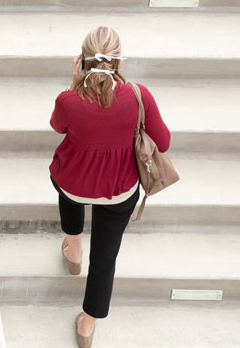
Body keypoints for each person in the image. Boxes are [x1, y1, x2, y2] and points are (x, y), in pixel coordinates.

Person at [49, 27, 170, 348]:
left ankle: (73, 250)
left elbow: (56, 125)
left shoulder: (68, 99)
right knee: (104, 260)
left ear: (82, 61)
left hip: (75, 184)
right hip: (119, 190)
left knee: (63, 181)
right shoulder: (139, 95)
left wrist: (74, 85)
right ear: (119, 62)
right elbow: (164, 141)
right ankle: (87, 326)